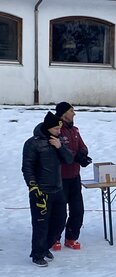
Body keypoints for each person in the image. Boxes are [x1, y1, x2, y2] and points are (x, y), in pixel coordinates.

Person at [22, 111, 73, 266]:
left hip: (57, 190)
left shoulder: (58, 142)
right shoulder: (32, 143)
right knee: (41, 224)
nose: (59, 132)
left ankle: (44, 247)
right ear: (49, 128)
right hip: (41, 191)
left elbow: (69, 160)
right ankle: (37, 254)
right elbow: (27, 168)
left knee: (59, 221)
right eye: (57, 129)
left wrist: (60, 148)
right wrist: (33, 187)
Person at [53, 102, 91, 251]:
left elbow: (83, 146)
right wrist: (76, 156)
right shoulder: (56, 131)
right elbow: (60, 151)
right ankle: (54, 237)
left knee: (77, 210)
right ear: (63, 114)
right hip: (61, 178)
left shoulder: (75, 130)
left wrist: (83, 154)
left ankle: (71, 237)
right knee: (59, 212)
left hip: (75, 177)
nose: (74, 113)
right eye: (71, 110)